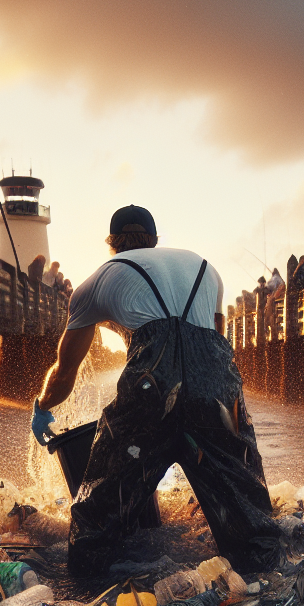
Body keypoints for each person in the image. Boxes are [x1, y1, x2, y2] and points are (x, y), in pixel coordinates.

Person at [31, 204, 279, 577]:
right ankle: (265, 581)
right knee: (245, 506)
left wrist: (42, 405)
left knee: (99, 515)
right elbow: (214, 344)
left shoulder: (96, 282)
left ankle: (89, 587)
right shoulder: (204, 268)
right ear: (156, 240)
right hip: (215, 391)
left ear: (111, 243)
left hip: (149, 393)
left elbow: (65, 375)